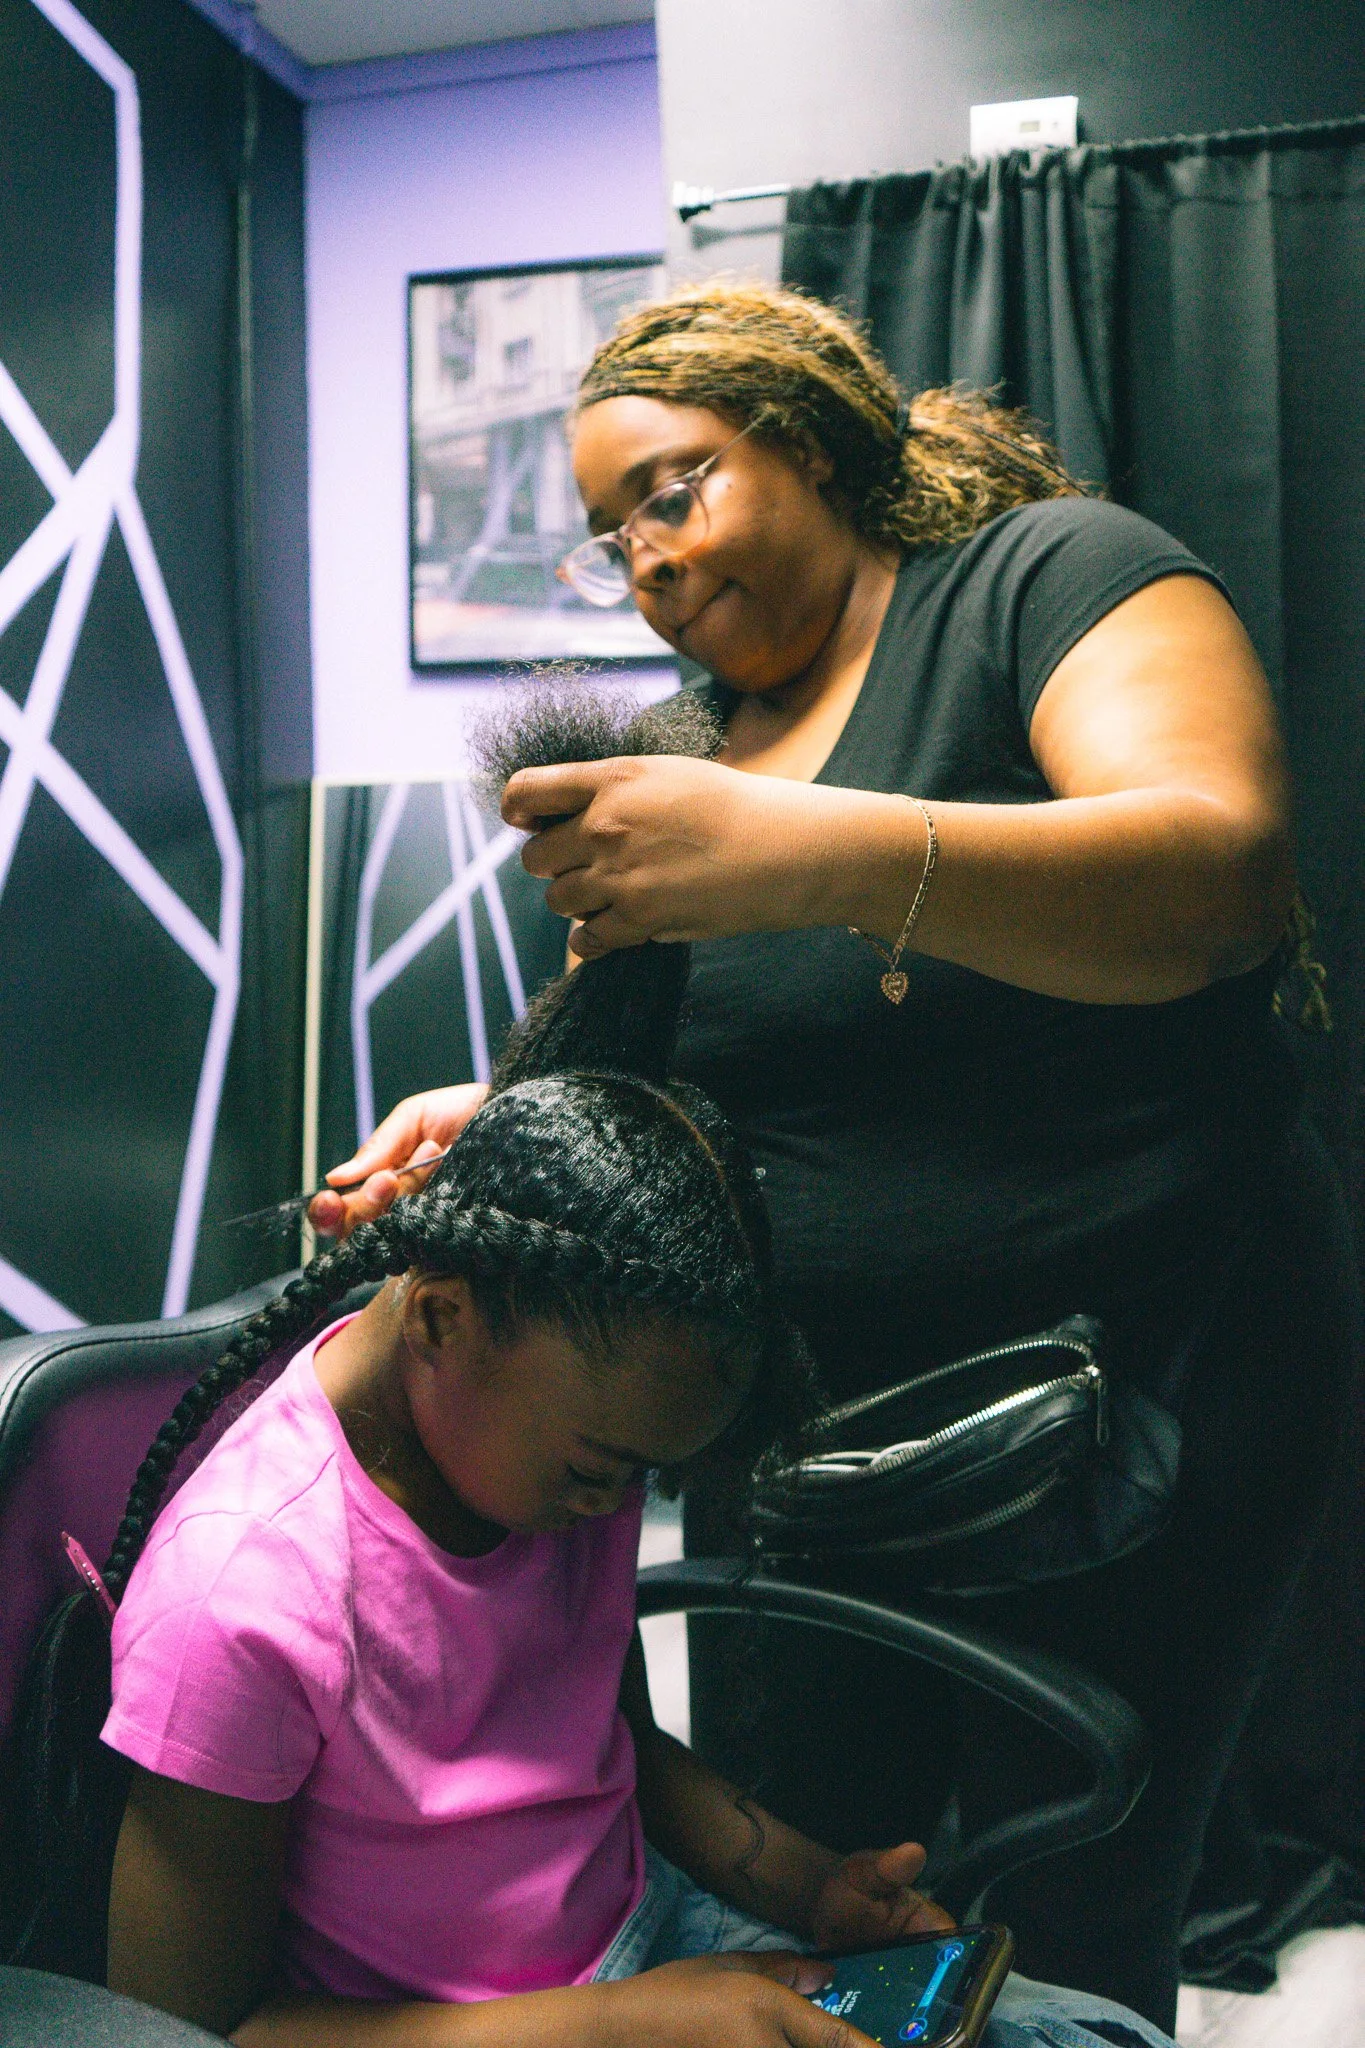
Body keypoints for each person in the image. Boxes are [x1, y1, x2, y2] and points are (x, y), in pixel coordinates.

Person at [310, 281, 1361, 2033]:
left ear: (805, 440)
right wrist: (492, 1119)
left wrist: (808, 851)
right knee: (818, 1890)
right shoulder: (678, 749)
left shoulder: (1047, 578)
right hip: (803, 1445)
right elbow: (673, 1070)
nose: (647, 559)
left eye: (674, 490)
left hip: (1145, 1396)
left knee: (1077, 1901)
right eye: (610, 537)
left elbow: (1222, 876)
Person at [91, 766, 1180, 2048]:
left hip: (646, 1943)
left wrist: (808, 1887)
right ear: (440, 1316)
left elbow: (601, 1741)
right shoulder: (241, 1598)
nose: (614, 1505)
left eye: (641, 1477)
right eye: (599, 1468)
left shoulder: (546, 1441)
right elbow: (193, 2033)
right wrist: (627, 2024)